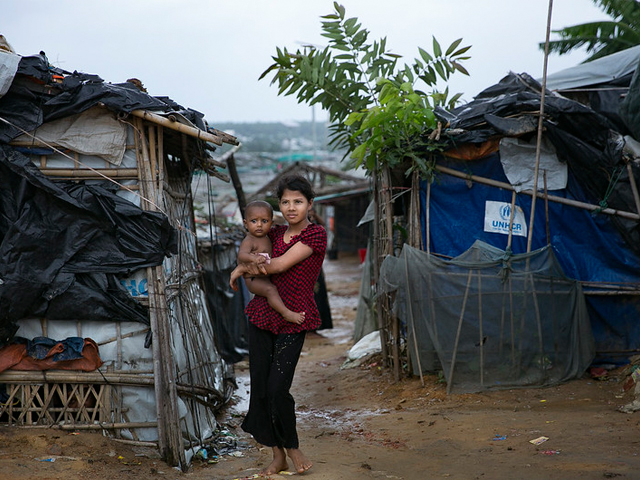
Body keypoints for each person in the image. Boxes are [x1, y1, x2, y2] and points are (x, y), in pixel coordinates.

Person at [230, 174, 326, 476]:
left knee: (277, 388)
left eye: (298, 201)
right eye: (285, 201)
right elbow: (251, 251)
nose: (291, 207)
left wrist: (240, 269)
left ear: (310, 204)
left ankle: (293, 446)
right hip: (261, 314)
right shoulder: (273, 231)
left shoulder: (315, 235)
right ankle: (277, 455)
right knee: (260, 386)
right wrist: (246, 265)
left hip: (292, 317)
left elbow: (278, 265)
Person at [237, 200, 305, 325]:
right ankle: (286, 313)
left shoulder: (268, 238)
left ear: (271, 223)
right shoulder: (250, 240)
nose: (259, 225)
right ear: (246, 224)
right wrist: (254, 259)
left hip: (264, 276)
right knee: (270, 290)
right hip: (253, 279)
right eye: (254, 221)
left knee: (277, 289)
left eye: (264, 221)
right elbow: (242, 255)